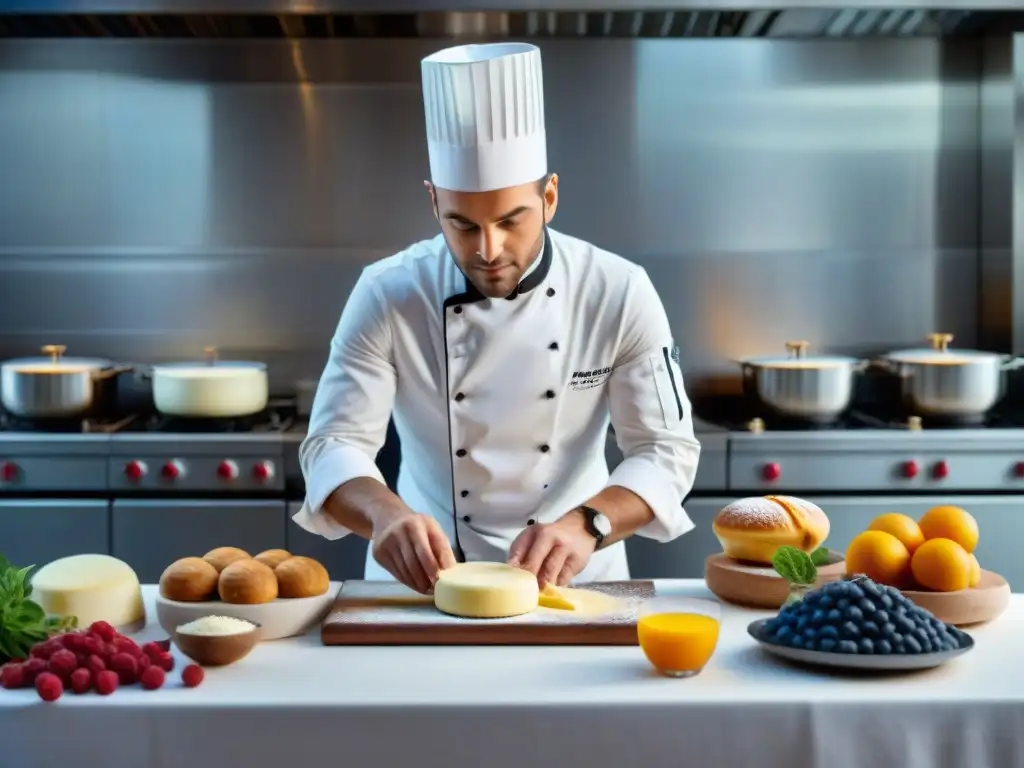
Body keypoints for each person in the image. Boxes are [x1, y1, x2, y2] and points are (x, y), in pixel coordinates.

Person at [294, 41, 701, 594]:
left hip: (577, 580)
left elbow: (666, 448)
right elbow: (332, 443)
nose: (488, 248)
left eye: (512, 220)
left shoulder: (618, 291)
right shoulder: (389, 292)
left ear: (550, 197)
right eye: (462, 224)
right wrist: (384, 515)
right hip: (422, 580)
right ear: (433, 201)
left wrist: (590, 524)